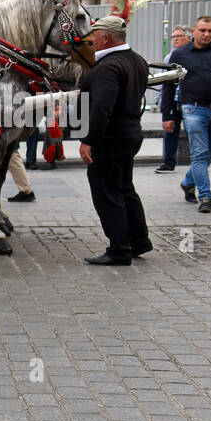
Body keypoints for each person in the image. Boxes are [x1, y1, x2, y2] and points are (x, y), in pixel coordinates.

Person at [79, 15, 151, 264]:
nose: (92, 40)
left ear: (106, 38)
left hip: (109, 139)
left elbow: (102, 108)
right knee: (125, 189)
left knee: (107, 192)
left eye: (95, 36)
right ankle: (138, 240)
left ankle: (120, 248)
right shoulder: (137, 60)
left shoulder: (108, 67)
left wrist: (89, 140)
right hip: (130, 133)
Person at [163, 15, 211, 213]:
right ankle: (205, 195)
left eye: (210, 31)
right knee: (200, 152)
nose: (206, 34)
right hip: (192, 109)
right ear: (193, 31)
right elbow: (169, 86)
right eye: (202, 30)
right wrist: (167, 115)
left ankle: (188, 182)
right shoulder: (180, 54)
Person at [155, 25, 193, 173]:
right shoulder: (168, 57)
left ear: (189, 38)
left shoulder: (193, 54)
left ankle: (197, 161)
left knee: (193, 131)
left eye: (179, 36)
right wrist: (160, 100)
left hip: (189, 100)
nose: (175, 39)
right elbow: (162, 81)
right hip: (173, 100)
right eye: (173, 37)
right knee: (170, 131)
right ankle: (169, 162)